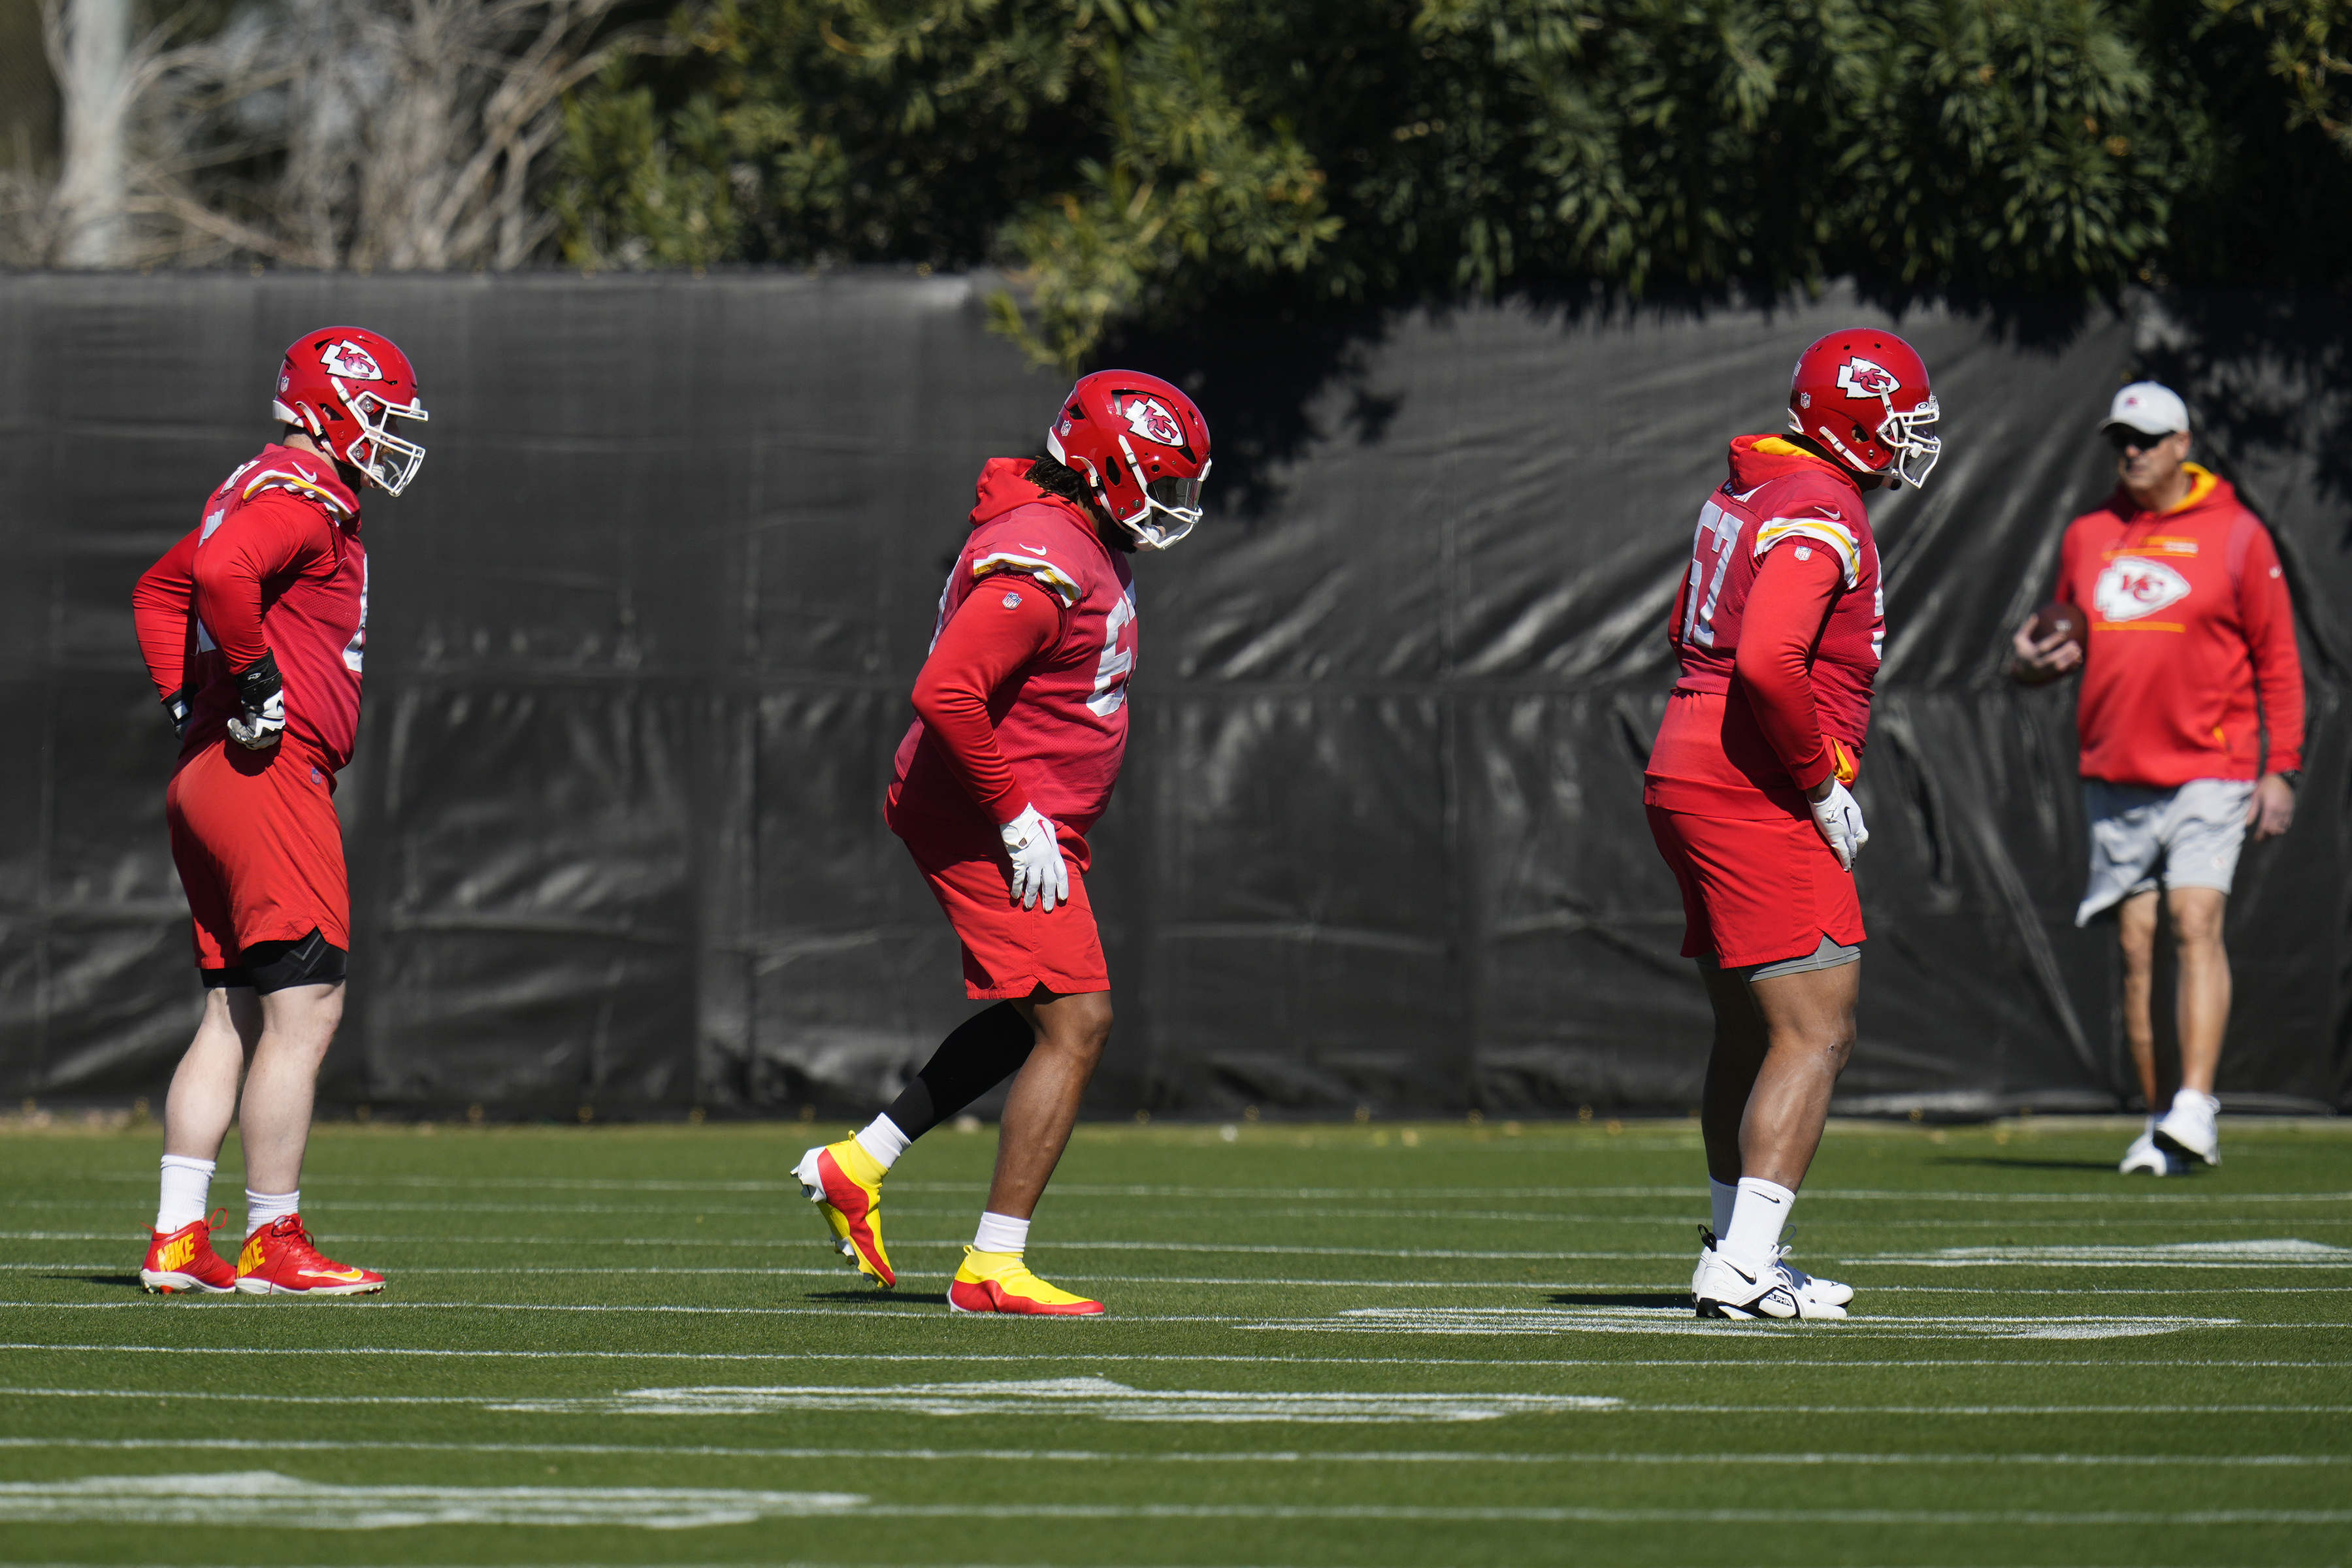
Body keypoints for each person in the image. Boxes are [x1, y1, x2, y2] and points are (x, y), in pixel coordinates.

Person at [792, 372, 1210, 1317]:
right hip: (988, 813)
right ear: (1101, 468)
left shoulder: (1077, 532)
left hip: (1020, 813)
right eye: (1158, 482)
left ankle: (862, 1161)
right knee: (1079, 1024)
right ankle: (993, 1268)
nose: (1172, 507)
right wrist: (1019, 815)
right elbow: (946, 692)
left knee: (1039, 1013)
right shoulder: (1042, 553)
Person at [1646, 329, 1942, 1321]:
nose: (1909, 442)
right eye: (1897, 421)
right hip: (1752, 777)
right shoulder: (1818, 504)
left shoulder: (1755, 488)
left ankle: (1740, 1250)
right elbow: (1773, 659)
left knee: (1751, 1028)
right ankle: (1741, 1265)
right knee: (1818, 1033)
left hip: (1689, 757)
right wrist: (1818, 780)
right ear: (1850, 419)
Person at [128, 327, 428, 1295]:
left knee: (228, 1011)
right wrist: (253, 686)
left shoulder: (262, 489)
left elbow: (162, 585)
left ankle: (179, 1238)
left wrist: (190, 703)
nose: (389, 439)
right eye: (380, 415)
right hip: (269, 774)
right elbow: (213, 581)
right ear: (330, 406)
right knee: (306, 1014)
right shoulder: (302, 501)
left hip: (209, 777)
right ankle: (272, 1238)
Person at [2010, 382, 2302, 1175]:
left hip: (2213, 766)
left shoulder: (2239, 535)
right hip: (2116, 771)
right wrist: (2028, 662)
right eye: (2120, 440)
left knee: (2193, 922)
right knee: (2137, 951)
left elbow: (2278, 660)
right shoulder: (2088, 535)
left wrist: (2281, 769)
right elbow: (2051, 648)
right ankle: (2159, 1125)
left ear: (2183, 442)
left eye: (2145, 438)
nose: (2130, 452)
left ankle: (2197, 1104)